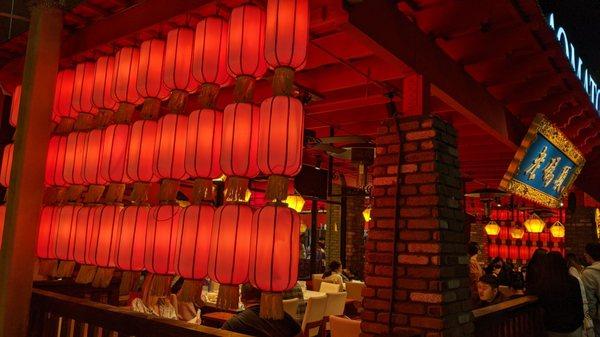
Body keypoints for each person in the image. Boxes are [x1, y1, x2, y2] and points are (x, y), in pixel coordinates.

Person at [222, 284, 302, 337]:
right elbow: (301, 334)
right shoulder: (286, 318)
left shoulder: (233, 324)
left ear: (242, 299)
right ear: (265, 296)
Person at [537, 252, 583, 337]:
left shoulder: (544, 284)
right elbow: (579, 304)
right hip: (573, 326)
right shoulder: (573, 281)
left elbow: (543, 305)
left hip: (553, 326)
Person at [568, 253, 594, 337]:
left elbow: (579, 284)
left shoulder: (572, 269)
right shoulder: (582, 267)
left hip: (582, 296)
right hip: (587, 294)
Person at [582, 243, 600, 337]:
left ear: (589, 254)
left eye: (585, 253)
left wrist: (591, 318)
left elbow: (590, 300)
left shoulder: (588, 273)